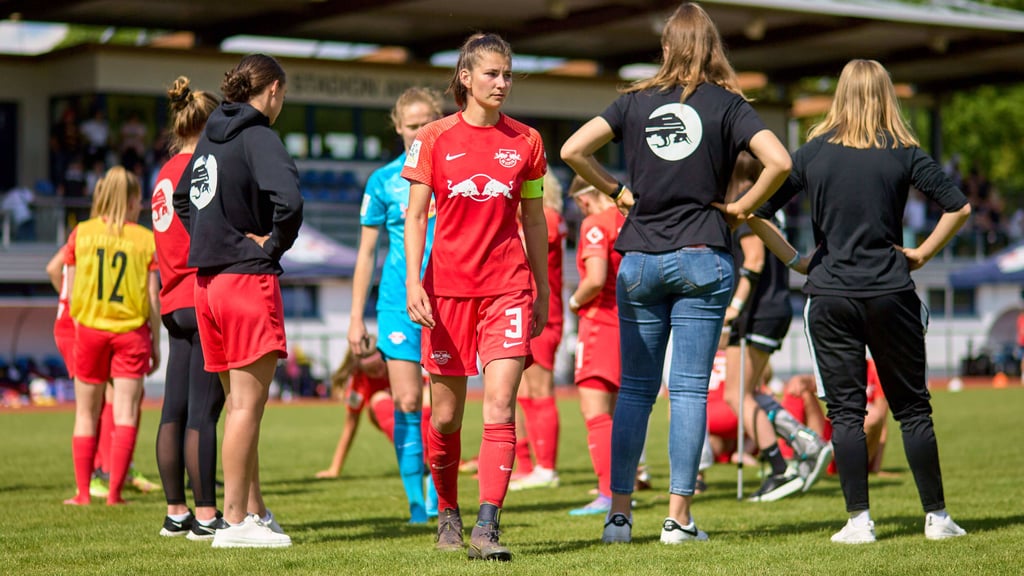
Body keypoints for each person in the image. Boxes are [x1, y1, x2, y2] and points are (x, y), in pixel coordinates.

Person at [561, 3, 791, 544]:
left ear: (666, 48)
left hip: (639, 258)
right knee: (688, 392)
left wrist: (616, 191)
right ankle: (678, 519)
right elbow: (780, 161)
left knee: (635, 392)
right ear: (712, 48)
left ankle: (619, 517)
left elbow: (572, 149)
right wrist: (741, 209)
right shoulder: (728, 104)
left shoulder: (634, 100)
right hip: (703, 255)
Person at [737, 59, 970, 544]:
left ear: (840, 95)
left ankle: (858, 521)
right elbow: (960, 207)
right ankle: (937, 518)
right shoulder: (903, 151)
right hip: (890, 292)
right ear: (886, 95)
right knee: (913, 410)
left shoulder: (812, 153)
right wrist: (923, 254)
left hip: (829, 295)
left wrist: (796, 260)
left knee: (845, 413)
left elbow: (755, 213)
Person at [403, 33, 549, 562]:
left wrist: (542, 289)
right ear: (465, 78)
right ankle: (448, 512)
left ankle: (488, 525)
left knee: (500, 403)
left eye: (507, 74)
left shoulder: (528, 141)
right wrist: (413, 283)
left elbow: (534, 218)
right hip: (446, 294)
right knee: (444, 417)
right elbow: (415, 215)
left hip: (508, 289)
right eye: (492, 73)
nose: (502, 83)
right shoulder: (433, 138)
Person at [174, 53, 302, 548]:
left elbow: (184, 198)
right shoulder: (259, 136)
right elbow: (290, 202)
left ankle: (254, 511)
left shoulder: (210, 136)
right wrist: (269, 246)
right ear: (272, 91)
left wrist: (213, 239)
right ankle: (233, 523)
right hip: (246, 282)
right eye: (283, 94)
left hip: (207, 285)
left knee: (238, 406)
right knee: (247, 407)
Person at [347, 87, 444, 524]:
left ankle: (440, 496)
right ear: (398, 127)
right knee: (406, 400)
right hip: (397, 303)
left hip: (446, 301)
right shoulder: (382, 181)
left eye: (426, 123)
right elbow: (366, 253)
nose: (419, 132)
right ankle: (417, 507)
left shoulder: (452, 173)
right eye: (411, 125)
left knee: (443, 406)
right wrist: (355, 317)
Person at [722, 152, 832, 502]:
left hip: (757, 309)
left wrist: (734, 307)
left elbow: (754, 260)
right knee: (750, 393)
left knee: (736, 395)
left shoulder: (745, 201)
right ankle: (806, 442)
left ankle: (779, 467)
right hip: (772, 306)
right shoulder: (769, 201)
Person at [151, 76, 227, 540]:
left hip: (171, 299)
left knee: (173, 410)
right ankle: (206, 514)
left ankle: (175, 512)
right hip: (199, 295)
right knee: (204, 412)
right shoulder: (203, 167)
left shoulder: (162, 173)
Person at [62, 166, 160, 506]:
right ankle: (115, 493)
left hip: (90, 330)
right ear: (132, 200)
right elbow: (153, 298)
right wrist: (156, 341)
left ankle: (83, 493)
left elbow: (70, 292)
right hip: (131, 332)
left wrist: (79, 328)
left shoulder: (81, 233)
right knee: (125, 414)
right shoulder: (145, 239)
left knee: (85, 414)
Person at [564, 176, 624, 516]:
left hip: (600, 322)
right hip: (628, 323)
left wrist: (574, 302)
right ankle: (622, 486)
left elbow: (596, 278)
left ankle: (607, 494)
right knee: (615, 413)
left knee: (596, 412)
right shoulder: (626, 217)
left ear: (584, 199)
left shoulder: (595, 224)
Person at [511, 171, 566, 492]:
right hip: (523, 310)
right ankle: (527, 465)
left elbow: (528, 251)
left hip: (543, 313)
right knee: (522, 391)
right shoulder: (531, 220)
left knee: (540, 387)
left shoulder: (547, 218)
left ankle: (546, 467)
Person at [316, 339, 396, 478]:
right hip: (394, 413)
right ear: (361, 370)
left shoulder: (397, 362)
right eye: (372, 371)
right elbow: (350, 427)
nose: (379, 373)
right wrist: (334, 469)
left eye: (380, 366)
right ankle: (415, 454)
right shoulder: (357, 386)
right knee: (377, 403)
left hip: (419, 407)